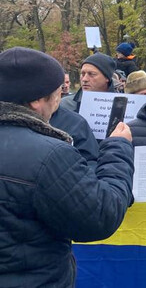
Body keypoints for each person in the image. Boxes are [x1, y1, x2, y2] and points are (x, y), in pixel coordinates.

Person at [0, 47, 134, 287]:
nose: (59, 100)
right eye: (57, 93)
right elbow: (101, 216)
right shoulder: (49, 155)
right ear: (36, 101)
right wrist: (118, 148)